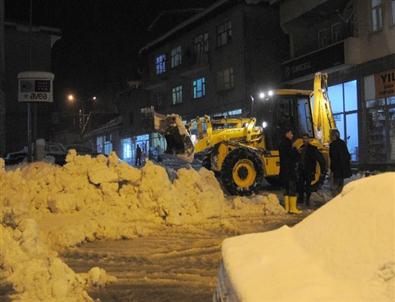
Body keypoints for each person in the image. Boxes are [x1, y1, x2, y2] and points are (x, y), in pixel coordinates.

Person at [297, 134, 326, 207]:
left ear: (309, 140)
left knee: (308, 186)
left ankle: (307, 200)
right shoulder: (301, 148)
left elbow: (320, 160)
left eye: (306, 138)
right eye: (303, 138)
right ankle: (301, 199)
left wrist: (323, 170)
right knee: (300, 185)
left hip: (309, 170)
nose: (304, 140)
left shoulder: (313, 149)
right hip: (302, 170)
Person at [279, 129, 301, 214]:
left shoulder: (281, 143)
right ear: (287, 133)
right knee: (292, 188)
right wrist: (297, 151)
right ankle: (293, 208)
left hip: (284, 169)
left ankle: (287, 208)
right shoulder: (288, 144)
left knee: (286, 188)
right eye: (291, 133)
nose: (292, 135)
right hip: (290, 169)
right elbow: (292, 156)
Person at [329, 129, 352, 196]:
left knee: (336, 181)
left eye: (331, 136)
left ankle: (337, 195)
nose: (330, 137)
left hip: (337, 166)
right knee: (340, 182)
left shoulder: (332, 145)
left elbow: (332, 157)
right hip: (341, 166)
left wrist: (332, 167)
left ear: (334, 136)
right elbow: (346, 154)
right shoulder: (342, 143)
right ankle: (339, 194)